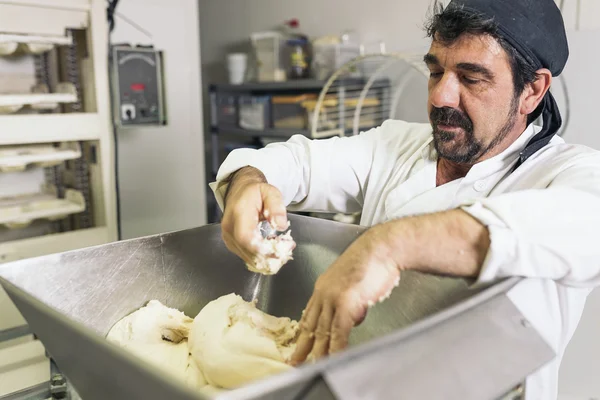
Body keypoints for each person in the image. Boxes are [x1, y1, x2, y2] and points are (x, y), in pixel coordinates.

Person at [209, 0, 600, 398]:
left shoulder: (566, 172)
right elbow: (297, 162)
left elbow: (585, 222)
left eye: (471, 78)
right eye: (435, 71)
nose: (441, 96)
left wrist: (387, 245)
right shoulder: (397, 146)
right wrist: (247, 182)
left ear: (532, 90)